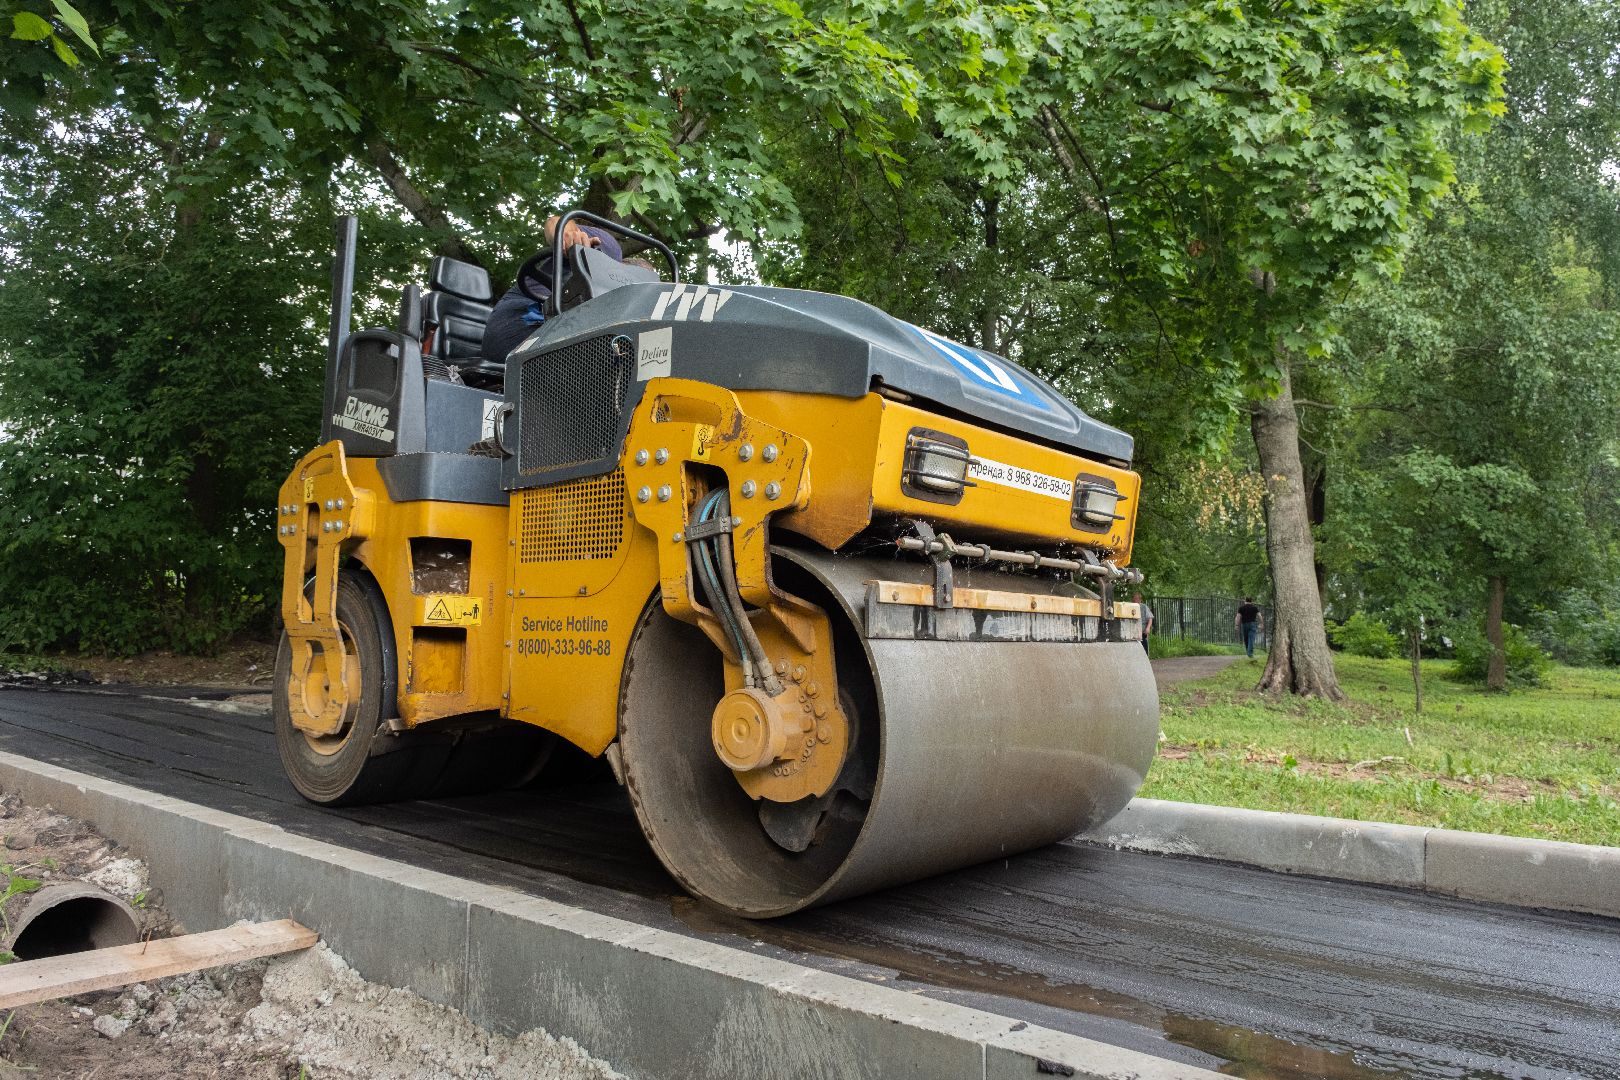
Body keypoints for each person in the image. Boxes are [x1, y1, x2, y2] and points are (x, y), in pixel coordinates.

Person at [481, 215, 623, 363]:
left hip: (550, 332)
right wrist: (566, 235)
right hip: (521, 320)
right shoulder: (608, 244)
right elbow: (553, 221)